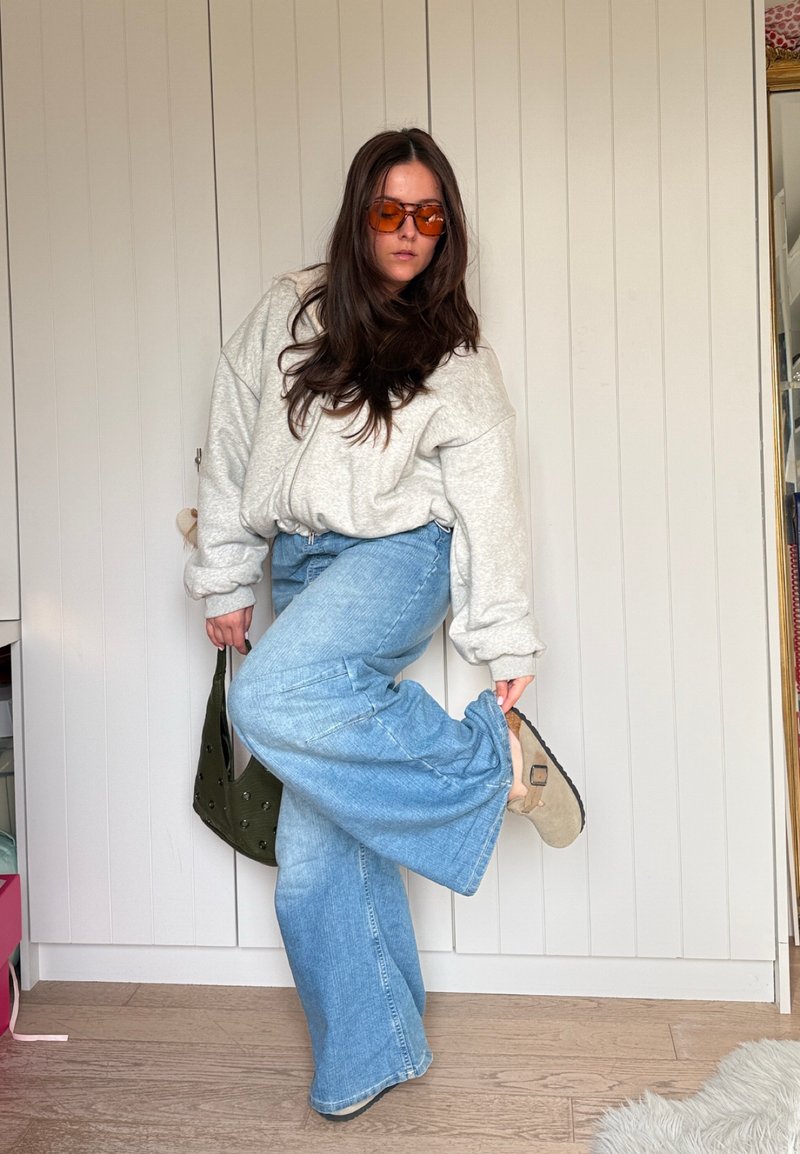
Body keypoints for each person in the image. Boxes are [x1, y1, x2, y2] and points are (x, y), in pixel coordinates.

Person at [185, 127, 584, 1121]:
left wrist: (502, 635)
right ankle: (374, 1048)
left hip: (400, 558)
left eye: (427, 214)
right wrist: (223, 577)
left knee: (276, 696)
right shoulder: (285, 310)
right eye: (388, 211)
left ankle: (479, 762)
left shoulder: (453, 350)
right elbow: (231, 448)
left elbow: (490, 498)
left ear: (444, 226)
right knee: (315, 848)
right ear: (358, 213)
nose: (408, 232)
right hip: (299, 564)